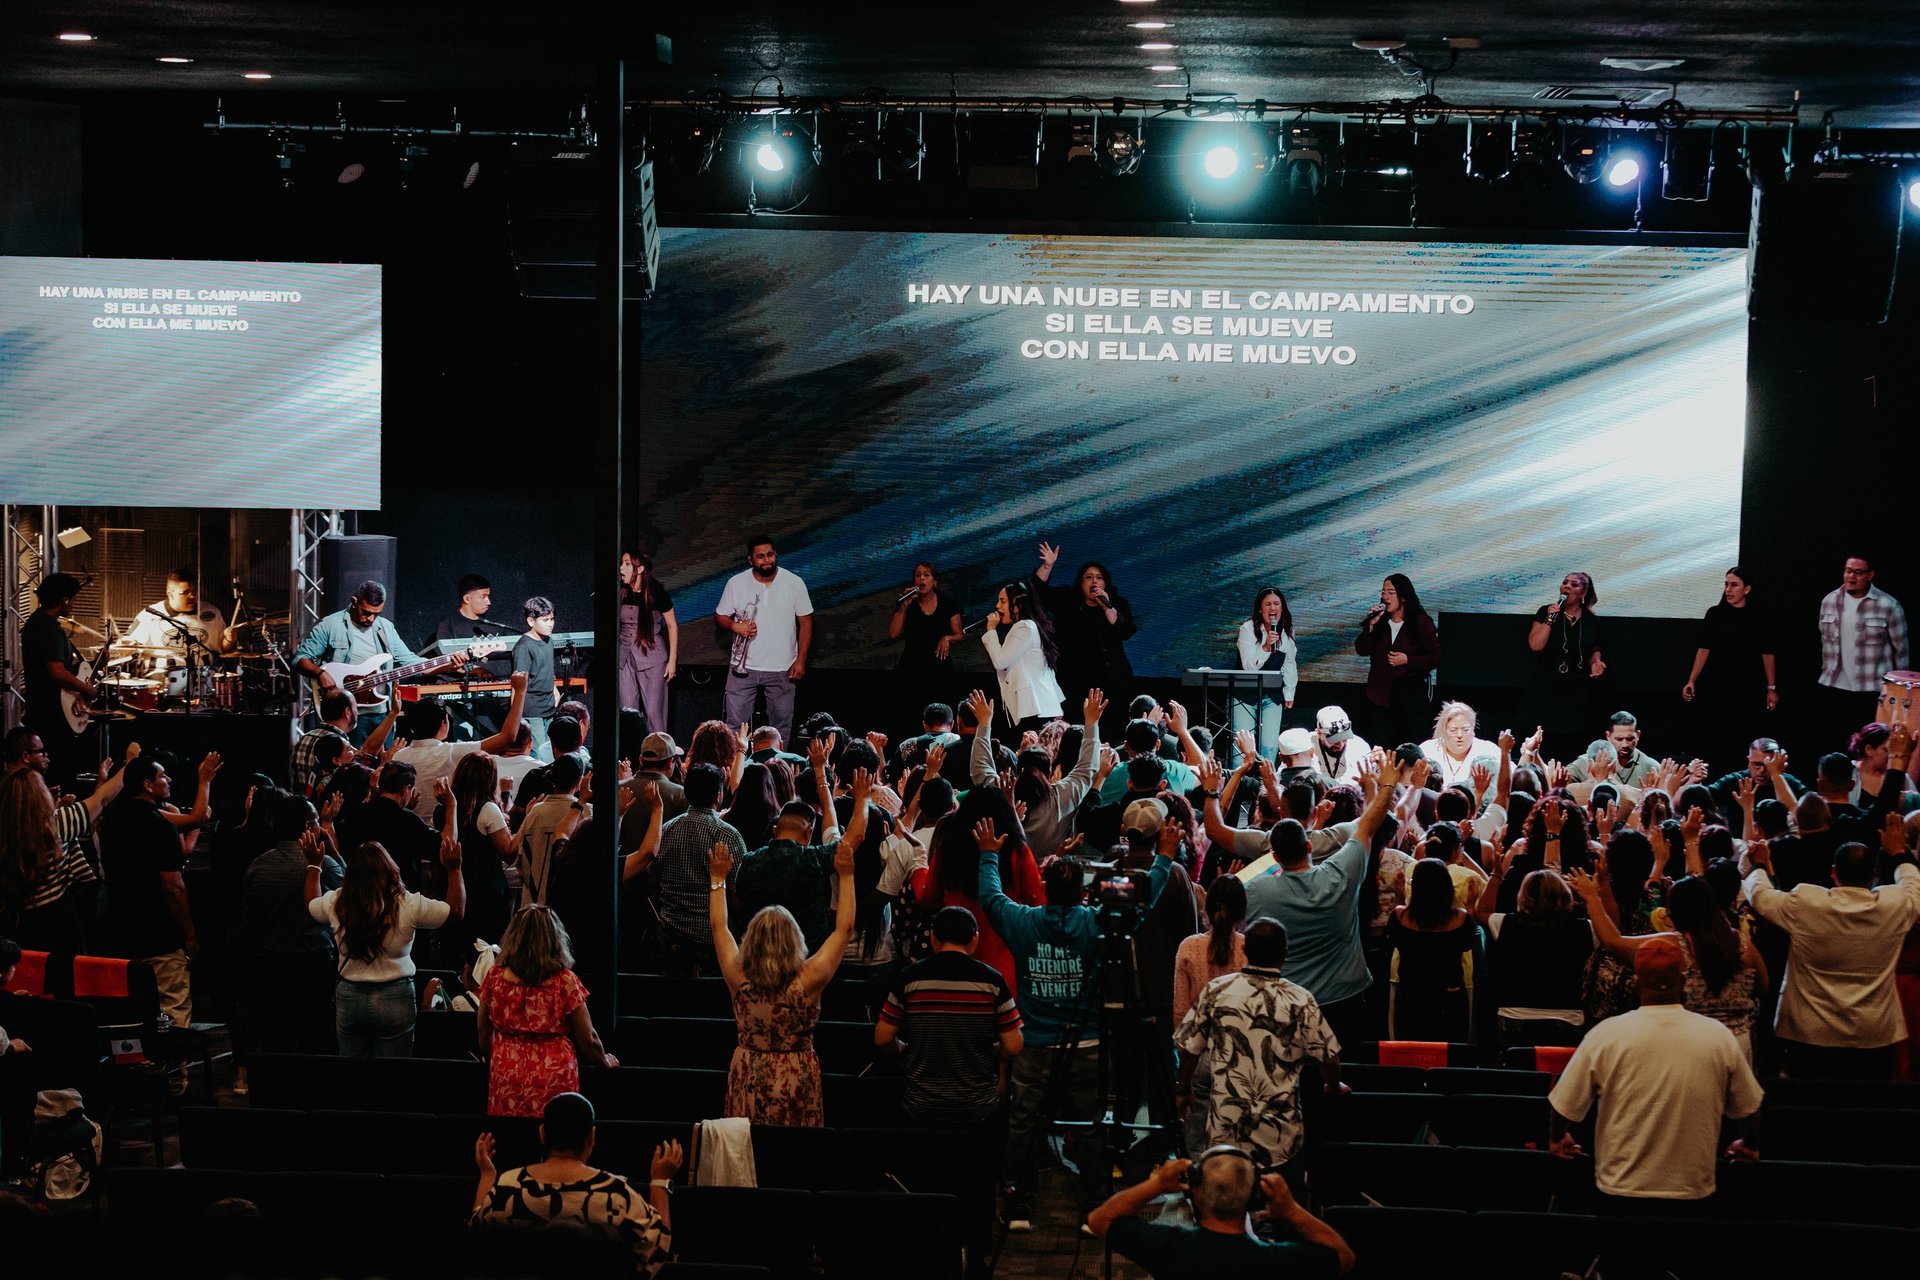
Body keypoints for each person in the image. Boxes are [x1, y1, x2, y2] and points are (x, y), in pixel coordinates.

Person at [976, 809, 1176, 1231]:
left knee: (1024, 1125)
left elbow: (992, 899)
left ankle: (1017, 1206)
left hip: (1034, 1045)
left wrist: (989, 855)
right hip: (1087, 1043)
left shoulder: (1024, 922)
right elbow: (1144, 897)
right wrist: (1164, 856)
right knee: (1088, 1128)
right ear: (1085, 890)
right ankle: (1093, 1208)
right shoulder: (1098, 923)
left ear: (1047, 889)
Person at [1547, 940, 1763, 1254]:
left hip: (1620, 1191)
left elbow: (1561, 1104)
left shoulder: (1606, 1035)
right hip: (1693, 1192)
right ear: (1684, 980)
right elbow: (1750, 1106)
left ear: (1635, 982)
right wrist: (1750, 1145)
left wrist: (1556, 1138)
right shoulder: (1718, 1036)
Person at [1215, 755, 1396, 1063]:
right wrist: (1384, 786)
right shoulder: (1338, 875)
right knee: (1339, 1078)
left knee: (1287, 1074)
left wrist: (1211, 793)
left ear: (1273, 854)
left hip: (1281, 1000)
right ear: (1309, 845)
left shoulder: (1254, 889)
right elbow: (1367, 826)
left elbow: (1215, 832)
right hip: (1342, 1001)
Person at [708, 775, 865, 1126]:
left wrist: (717, 878)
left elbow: (720, 927)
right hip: (796, 1074)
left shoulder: (738, 977)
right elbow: (844, 928)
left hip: (748, 1071)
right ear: (795, 940)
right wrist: (847, 875)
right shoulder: (808, 980)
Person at [875, 904, 1022, 1280]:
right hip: (978, 1109)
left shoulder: (910, 979)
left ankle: (928, 1250)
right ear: (974, 940)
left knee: (928, 1180)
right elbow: (1015, 1044)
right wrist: (994, 1056)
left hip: (921, 1106)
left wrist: (906, 1055)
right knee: (978, 1181)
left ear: (934, 939)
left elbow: (883, 1038)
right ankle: (976, 1254)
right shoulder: (991, 981)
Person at [1175, 916, 1347, 1200]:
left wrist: (1182, 1090)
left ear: (1246, 951)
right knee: (1283, 1216)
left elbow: (1189, 1048)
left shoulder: (1217, 991)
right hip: (1279, 1137)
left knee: (1224, 1211)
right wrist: (1332, 1084)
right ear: (1285, 953)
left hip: (1226, 1133)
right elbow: (1329, 1057)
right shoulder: (1299, 999)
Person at [1743, 816, 1920, 1079]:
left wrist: (1758, 864)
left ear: (1834, 872)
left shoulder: (1806, 902)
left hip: (1809, 1032)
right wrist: (1899, 854)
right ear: (1872, 876)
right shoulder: (1894, 905)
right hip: (1873, 1032)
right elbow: (1913, 886)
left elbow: (1759, 895)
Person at [306, 796, 464, 1057]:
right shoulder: (407, 904)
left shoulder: (337, 901)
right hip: (395, 996)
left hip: (350, 996)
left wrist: (314, 865)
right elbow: (454, 912)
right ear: (391, 870)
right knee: (392, 1078)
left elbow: (311, 904)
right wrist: (454, 869)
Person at [471, 1092, 678, 1273]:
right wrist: (661, 1180)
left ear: (542, 1133)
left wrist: (488, 1175)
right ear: (592, 1137)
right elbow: (657, 1248)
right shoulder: (616, 1195)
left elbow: (476, 1231)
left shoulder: (510, 1186)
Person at [1571, 871, 1766, 1059]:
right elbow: (1762, 987)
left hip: (1694, 1044)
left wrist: (1591, 898)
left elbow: (1613, 942)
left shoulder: (1675, 945)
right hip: (1739, 1044)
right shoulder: (1743, 944)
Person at [1088, 1147, 1356, 1279]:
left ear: (1195, 1192)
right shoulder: (1278, 1260)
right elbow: (1344, 1256)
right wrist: (1292, 1210)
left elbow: (1100, 1219)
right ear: (1254, 1197)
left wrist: (1157, 1184)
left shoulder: (1168, 1246)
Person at [97, 754, 220, 1035]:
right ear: (147, 785)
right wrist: (189, 933)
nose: (169, 780)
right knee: (172, 1006)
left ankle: (139, 1069)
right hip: (158, 933)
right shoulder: (158, 826)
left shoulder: (112, 818)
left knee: (133, 1008)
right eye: (163, 776)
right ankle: (174, 1075)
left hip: (120, 928)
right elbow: (173, 887)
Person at [479, 905, 617, 1116]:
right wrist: (604, 1061)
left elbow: (483, 1030)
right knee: (556, 1136)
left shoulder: (495, 978)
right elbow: (588, 1037)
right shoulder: (565, 982)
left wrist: (494, 1060)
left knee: (509, 1138)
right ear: (555, 938)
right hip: (555, 1075)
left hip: (507, 1071)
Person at [241, 795, 345, 1057]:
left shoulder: (259, 865)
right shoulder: (326, 866)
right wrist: (331, 849)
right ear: (310, 825)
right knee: (315, 1032)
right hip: (316, 960)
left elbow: (251, 917)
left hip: (273, 960)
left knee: (277, 1034)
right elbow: (351, 891)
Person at [732, 738, 844, 951]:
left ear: (775, 830)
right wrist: (821, 772)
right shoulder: (815, 859)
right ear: (809, 832)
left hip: (760, 953)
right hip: (808, 956)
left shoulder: (749, 862)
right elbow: (836, 831)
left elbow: (739, 902)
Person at [967, 687, 1103, 861]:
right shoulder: (1061, 796)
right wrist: (1092, 723)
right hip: (1052, 877)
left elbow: (979, 768)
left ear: (1019, 770)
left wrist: (984, 723)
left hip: (1009, 878)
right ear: (1049, 772)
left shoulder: (1001, 792)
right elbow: (1087, 768)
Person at [1474, 860, 1594, 1048]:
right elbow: (1613, 928)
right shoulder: (1584, 929)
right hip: (1567, 1017)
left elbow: (1482, 912)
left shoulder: (1506, 924)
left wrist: (1496, 876)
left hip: (1514, 1014)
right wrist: (1593, 896)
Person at [293, 581, 428, 744]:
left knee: (382, 766)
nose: (371, 619)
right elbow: (299, 659)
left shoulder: (385, 627)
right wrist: (320, 673)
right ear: (354, 601)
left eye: (377, 614)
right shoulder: (330, 624)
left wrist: (448, 665)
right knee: (351, 765)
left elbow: (410, 661)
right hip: (346, 714)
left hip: (382, 713)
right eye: (366, 612)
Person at [1173, 875, 1248, 1153]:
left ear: (1206, 909)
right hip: (1240, 1056)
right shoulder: (1248, 948)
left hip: (1199, 1056)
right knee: (1235, 1131)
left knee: (1196, 1132)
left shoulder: (1188, 948)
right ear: (1243, 912)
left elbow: (1181, 1013)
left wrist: (1183, 1067)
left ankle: (1197, 1188)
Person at [389, 671, 529, 820]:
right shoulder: (450, 752)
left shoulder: (399, 756)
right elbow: (507, 738)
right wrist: (520, 691)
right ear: (444, 723)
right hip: (446, 835)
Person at [716, 535, 813, 742]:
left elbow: (806, 622)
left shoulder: (794, 583)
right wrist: (736, 626)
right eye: (760, 556)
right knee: (734, 725)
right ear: (750, 560)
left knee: (781, 725)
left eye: (770, 554)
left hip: (782, 668)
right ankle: (733, 771)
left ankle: (778, 771)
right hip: (742, 668)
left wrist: (801, 660)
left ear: (776, 555)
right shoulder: (736, 583)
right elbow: (721, 615)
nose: (766, 560)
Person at [1682, 566, 1779, 764]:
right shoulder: (1715, 614)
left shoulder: (1758, 617)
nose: (1728, 589)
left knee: (1741, 734)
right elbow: (1704, 649)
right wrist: (1692, 679)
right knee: (1714, 734)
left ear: (1747, 589)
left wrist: (1771, 687)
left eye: (1734, 585)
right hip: (1717, 685)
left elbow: (1767, 654)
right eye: (1726, 584)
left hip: (1746, 687)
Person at [1816, 554, 1910, 754]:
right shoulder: (1830, 601)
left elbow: (1901, 652)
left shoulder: (1888, 605)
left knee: (1868, 750)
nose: (1851, 576)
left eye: (1858, 572)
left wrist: (1899, 694)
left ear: (1870, 575)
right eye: (1848, 571)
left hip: (1871, 690)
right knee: (1833, 746)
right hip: (1834, 686)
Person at [1034, 540, 1136, 718]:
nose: (1094, 581)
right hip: (1074, 682)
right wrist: (1047, 565)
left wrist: (1107, 607)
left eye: (1099, 577)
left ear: (1106, 583)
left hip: (1111, 683)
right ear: (1081, 583)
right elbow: (1037, 592)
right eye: (1088, 577)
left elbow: (1126, 631)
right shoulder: (1067, 601)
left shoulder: (1117, 604)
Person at [1385, 858, 1476, 1041]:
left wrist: (1400, 898)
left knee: (1410, 1053)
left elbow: (1395, 939)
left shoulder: (1400, 916)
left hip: (1411, 995)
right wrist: (1471, 905)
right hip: (1449, 995)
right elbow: (1467, 943)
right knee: (1451, 1056)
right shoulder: (1461, 918)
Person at [19, 573, 94, 786]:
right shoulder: (50, 629)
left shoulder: (36, 622)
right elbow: (57, 672)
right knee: (60, 772)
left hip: (42, 708)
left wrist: (96, 663)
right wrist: (87, 690)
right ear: (65, 601)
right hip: (53, 713)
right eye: (73, 599)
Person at [1355, 572, 1441, 751]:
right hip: (1380, 697)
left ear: (1403, 596)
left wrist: (1408, 660)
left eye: (1390, 592)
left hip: (1411, 697)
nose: (1385, 597)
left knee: (1410, 747)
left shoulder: (1421, 622)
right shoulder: (1379, 622)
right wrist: (1370, 627)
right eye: (1383, 592)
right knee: (1382, 746)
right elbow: (1362, 649)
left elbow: (1436, 657)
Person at [1526, 571, 1605, 760]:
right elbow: (1535, 644)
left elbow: (1594, 648)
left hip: (1576, 687)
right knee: (1546, 739)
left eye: (1574, 584)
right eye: (1565, 583)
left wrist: (1596, 662)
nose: (1567, 586)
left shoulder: (1592, 621)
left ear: (1583, 593)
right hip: (1548, 684)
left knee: (1571, 742)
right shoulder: (1547, 611)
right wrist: (1550, 619)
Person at [889, 561, 965, 735]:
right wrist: (903, 608)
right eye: (918, 575)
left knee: (939, 715)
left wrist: (947, 638)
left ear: (935, 581)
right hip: (911, 668)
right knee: (911, 715)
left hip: (939, 669)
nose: (921, 579)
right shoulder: (907, 604)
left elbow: (960, 635)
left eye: (926, 575)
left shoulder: (947, 603)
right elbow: (893, 633)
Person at [980, 580, 1065, 734]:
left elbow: (1000, 661)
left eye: (1003, 601)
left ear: (1018, 604)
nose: (998, 606)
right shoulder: (1029, 626)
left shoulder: (1024, 627)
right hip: (1034, 706)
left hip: (1032, 705)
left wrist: (991, 630)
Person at [1230, 587, 1298, 763]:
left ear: (1282, 608)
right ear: (1260, 609)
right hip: (1244, 694)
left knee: (1269, 745)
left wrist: (1289, 693)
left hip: (1271, 695)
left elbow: (1289, 664)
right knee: (1242, 747)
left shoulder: (1286, 632)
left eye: (1276, 604)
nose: (1272, 608)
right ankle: (1239, 784)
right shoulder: (1247, 629)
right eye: (1267, 604)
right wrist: (1266, 647)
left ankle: (1266, 785)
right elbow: (1248, 666)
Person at [124, 567, 236, 668]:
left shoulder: (211, 612)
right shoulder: (149, 615)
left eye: (194, 591)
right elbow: (127, 646)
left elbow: (224, 649)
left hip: (203, 678)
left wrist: (229, 640)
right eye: (185, 592)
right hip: (160, 679)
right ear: (170, 594)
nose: (192, 596)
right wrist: (125, 645)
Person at [618, 549, 678, 736]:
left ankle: (659, 759)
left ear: (640, 568)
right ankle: (630, 759)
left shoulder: (656, 592)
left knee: (653, 713)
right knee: (627, 712)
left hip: (651, 655)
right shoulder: (621, 592)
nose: (621, 567)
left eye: (627, 563)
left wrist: (672, 661)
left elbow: (672, 626)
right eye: (622, 563)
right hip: (626, 657)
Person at [427, 573, 512, 672]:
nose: (488, 602)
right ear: (467, 599)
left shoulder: (493, 624)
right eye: (483, 597)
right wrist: (474, 671)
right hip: (457, 683)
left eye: (488, 596)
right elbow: (444, 661)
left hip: (488, 682)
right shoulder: (447, 624)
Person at [507, 597, 560, 755]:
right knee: (538, 752)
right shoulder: (524, 647)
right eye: (545, 620)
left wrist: (554, 689)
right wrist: (516, 713)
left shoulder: (548, 641)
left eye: (552, 619)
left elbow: (546, 670)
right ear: (531, 621)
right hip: (532, 709)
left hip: (548, 706)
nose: (550, 624)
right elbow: (518, 683)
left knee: (550, 751)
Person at [1419, 701, 1502, 800]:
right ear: (1444, 730)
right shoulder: (1427, 749)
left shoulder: (1489, 750)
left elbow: (1512, 778)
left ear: (1473, 730)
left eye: (1465, 730)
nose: (1459, 735)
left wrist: (1525, 757)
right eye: (1453, 730)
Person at [1308, 706, 1371, 788]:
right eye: (1334, 740)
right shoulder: (1305, 746)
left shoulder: (1360, 746)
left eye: (1344, 738)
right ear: (1319, 733)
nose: (1341, 745)